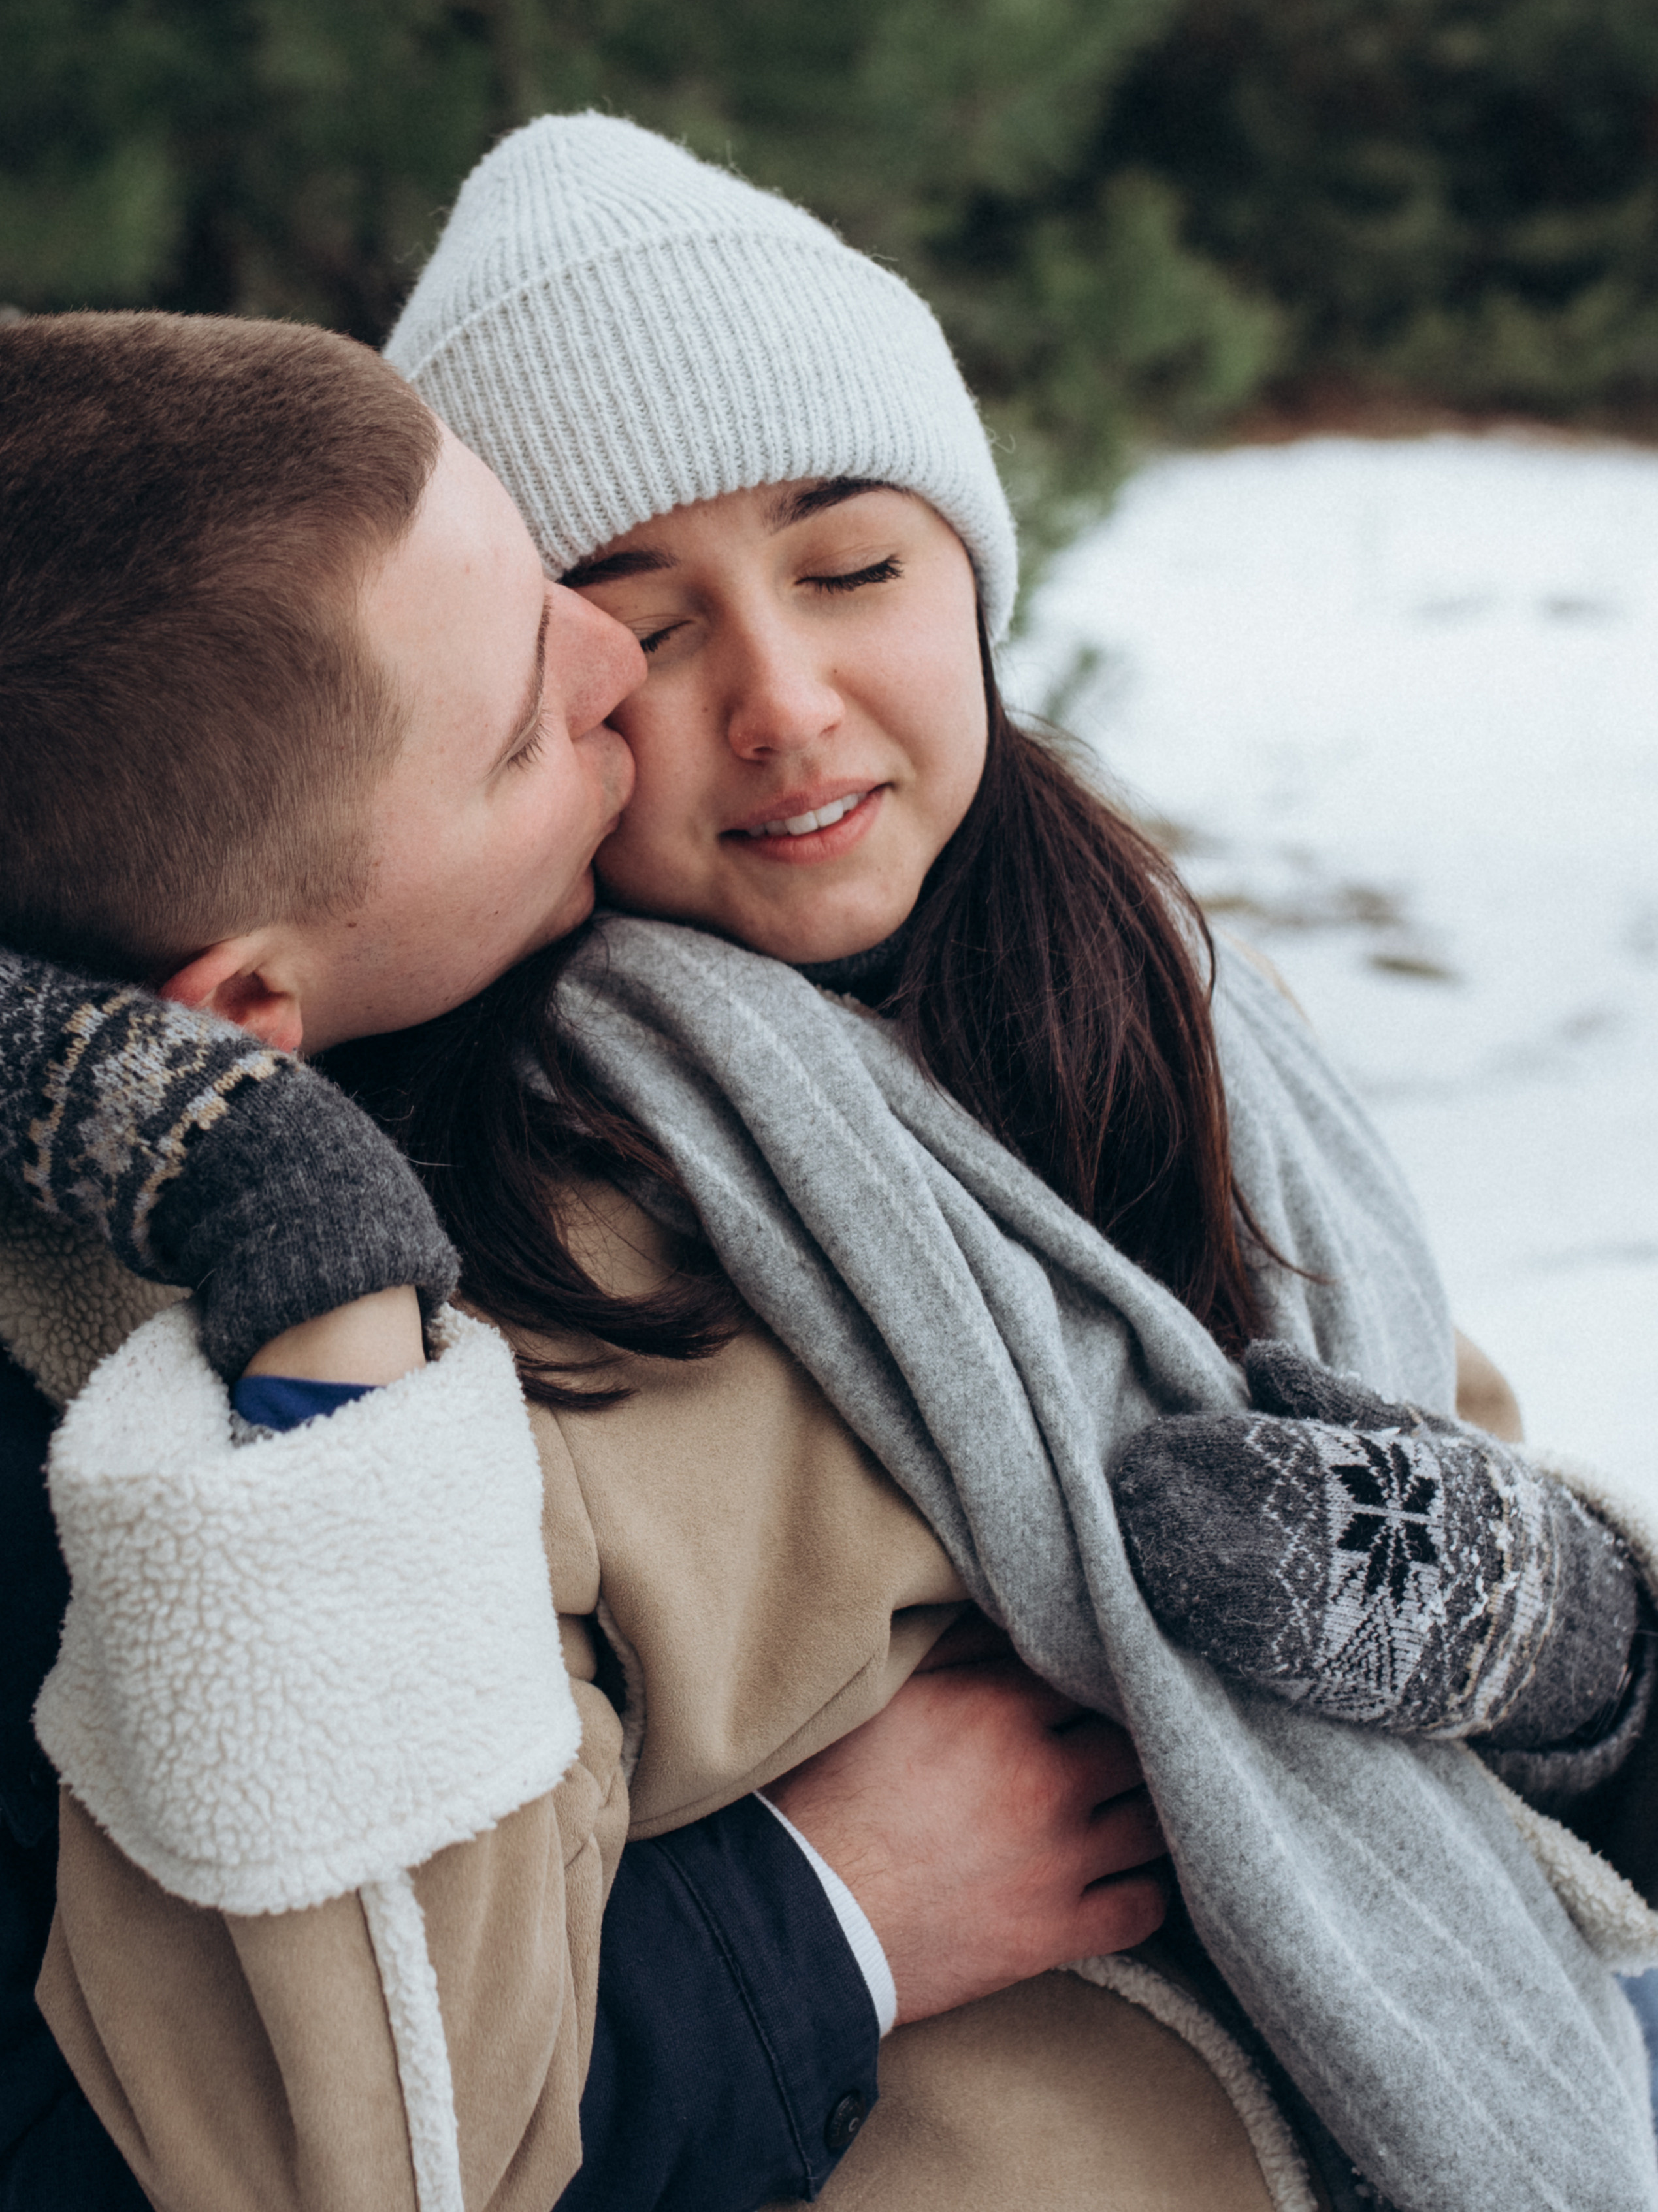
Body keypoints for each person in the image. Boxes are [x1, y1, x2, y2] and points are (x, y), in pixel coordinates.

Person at [348, 111, 1658, 2211]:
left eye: (850, 567)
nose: (782, 701)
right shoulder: (459, 1230)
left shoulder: (1177, 1007)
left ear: (970, 578)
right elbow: (357, 2064)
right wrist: (819, 1902)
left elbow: (1484, 1541)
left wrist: (1579, 1648)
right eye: (647, 628)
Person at [0, 312, 1173, 2211]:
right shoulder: (269, 1352)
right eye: (531, 721)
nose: (616, 662)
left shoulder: (1081, 958)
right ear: (244, 1010)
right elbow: (296, 2129)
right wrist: (822, 1916)